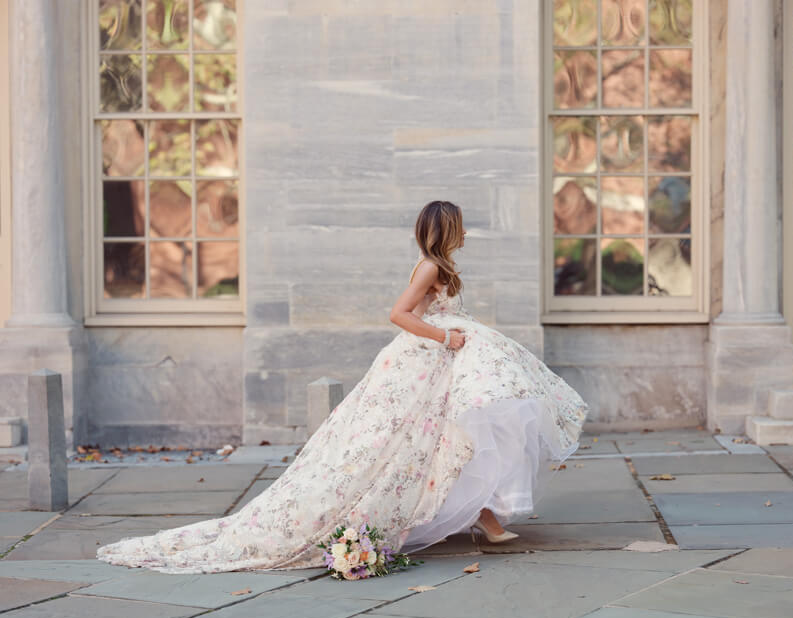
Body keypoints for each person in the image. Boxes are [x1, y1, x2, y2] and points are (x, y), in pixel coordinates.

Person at [96, 200, 588, 574]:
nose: (464, 235)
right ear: (447, 231)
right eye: (459, 228)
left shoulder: (441, 267)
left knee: (449, 440)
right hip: (426, 361)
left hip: (442, 364)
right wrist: (446, 337)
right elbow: (398, 315)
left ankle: (482, 513)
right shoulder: (430, 267)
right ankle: (474, 514)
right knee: (404, 445)